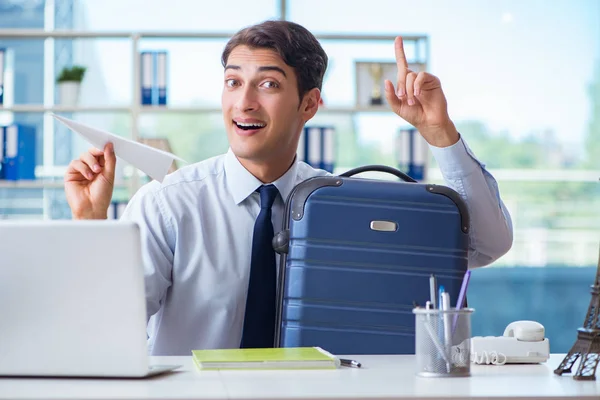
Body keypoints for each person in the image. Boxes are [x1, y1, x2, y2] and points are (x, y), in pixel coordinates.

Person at [64, 20, 513, 355]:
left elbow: (489, 245)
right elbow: (104, 334)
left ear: (309, 104)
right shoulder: (168, 204)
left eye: (269, 84)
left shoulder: (342, 204)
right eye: (233, 82)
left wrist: (440, 133)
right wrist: (90, 228)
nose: (244, 101)